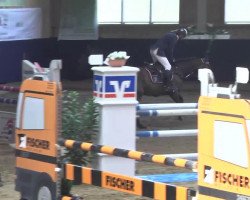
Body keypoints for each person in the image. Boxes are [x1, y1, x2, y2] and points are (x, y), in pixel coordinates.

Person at [150, 28, 188, 92]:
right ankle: (167, 85)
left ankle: (155, 79)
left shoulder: (171, 34)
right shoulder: (175, 37)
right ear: (182, 35)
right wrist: (171, 60)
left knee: (158, 65)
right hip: (158, 51)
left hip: (152, 50)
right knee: (168, 66)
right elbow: (170, 50)